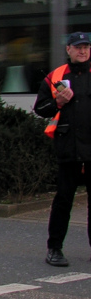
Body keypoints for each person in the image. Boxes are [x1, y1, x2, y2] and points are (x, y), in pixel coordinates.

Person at [34, 31, 91, 267]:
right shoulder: (56, 75)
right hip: (68, 149)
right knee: (63, 201)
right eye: (78, 47)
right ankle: (54, 249)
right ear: (68, 49)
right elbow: (41, 108)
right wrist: (58, 102)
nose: (83, 50)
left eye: (86, 46)